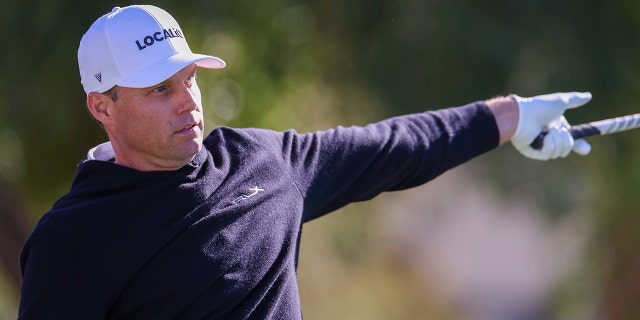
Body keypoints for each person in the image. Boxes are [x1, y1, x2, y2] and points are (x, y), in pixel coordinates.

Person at [18, 4, 593, 319]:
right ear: (103, 107)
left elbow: (394, 147)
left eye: (189, 80)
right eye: (159, 90)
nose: (187, 102)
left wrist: (511, 115)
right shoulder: (70, 242)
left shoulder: (261, 164)